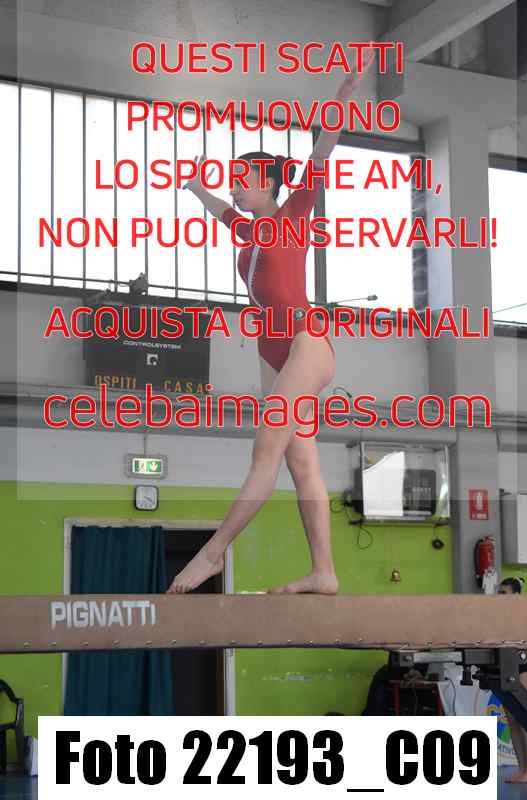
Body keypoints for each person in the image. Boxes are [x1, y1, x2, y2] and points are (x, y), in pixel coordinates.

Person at [167, 53, 375, 595]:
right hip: (271, 351)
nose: (236, 188)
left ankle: (212, 553)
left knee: (265, 450)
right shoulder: (249, 233)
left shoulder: (295, 214)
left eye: (243, 180)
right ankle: (324, 571)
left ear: (268, 185)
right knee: (300, 464)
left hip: (307, 343)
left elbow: (322, 152)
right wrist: (195, 188)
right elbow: (222, 212)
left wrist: (342, 97)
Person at [497, 577, 527, 784]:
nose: (500, 597)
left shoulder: (524, 613)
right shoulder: (499, 617)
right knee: (512, 720)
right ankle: (522, 768)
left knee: (525, 718)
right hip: (504, 668)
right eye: (499, 593)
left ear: (517, 594)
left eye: (504, 593)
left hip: (521, 668)